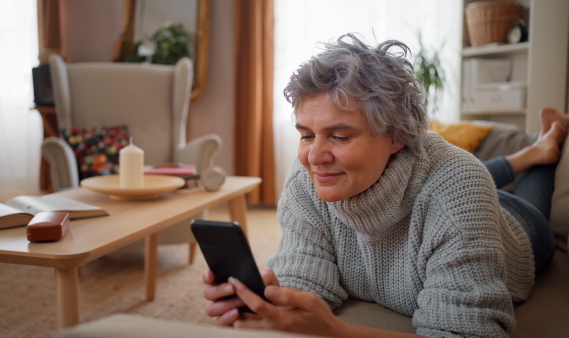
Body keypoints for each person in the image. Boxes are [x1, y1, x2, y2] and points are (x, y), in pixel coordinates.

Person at [201, 33, 568, 337]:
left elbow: (465, 333)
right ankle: (535, 150)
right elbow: (303, 275)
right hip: (451, 189)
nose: (314, 156)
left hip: (522, 229)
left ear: (396, 136)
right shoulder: (308, 177)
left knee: (529, 203)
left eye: (340, 136)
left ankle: (544, 149)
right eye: (306, 135)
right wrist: (272, 304)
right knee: (459, 178)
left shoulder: (460, 191)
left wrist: (334, 330)